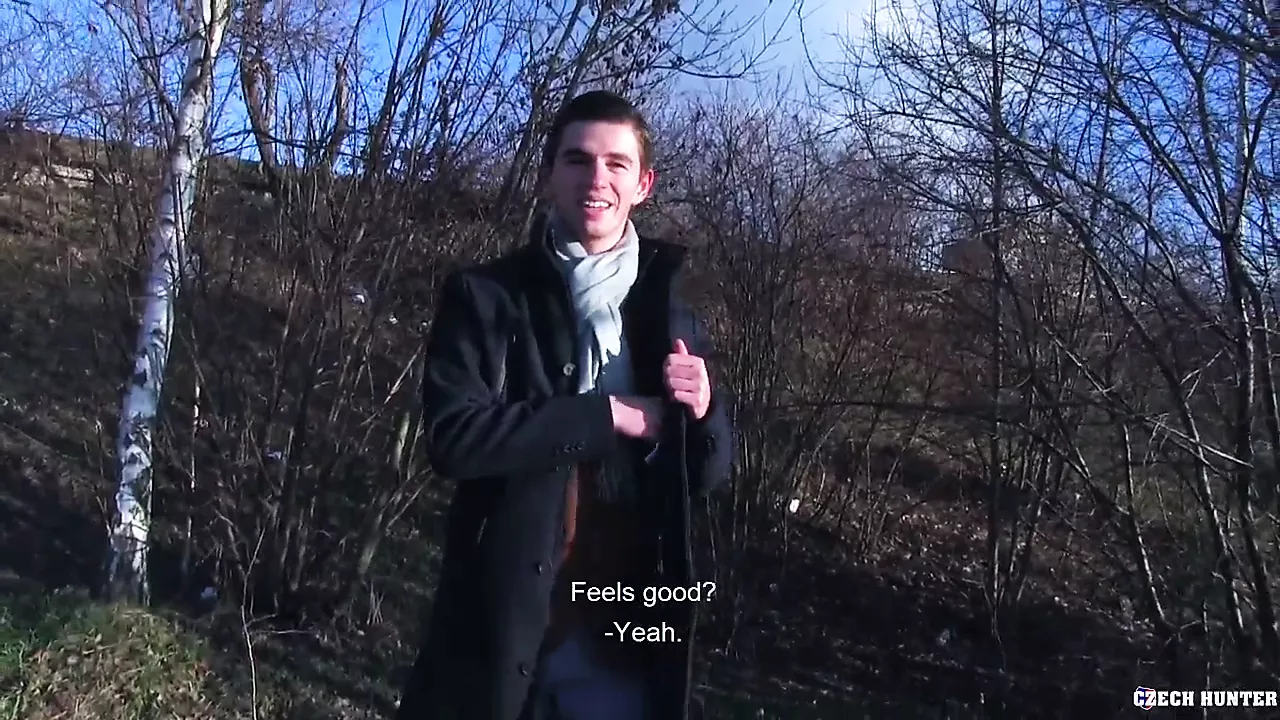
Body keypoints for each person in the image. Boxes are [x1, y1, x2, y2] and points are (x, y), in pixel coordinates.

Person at [394, 90, 734, 720]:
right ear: (550, 174)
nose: (596, 179)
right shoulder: (486, 297)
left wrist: (704, 412)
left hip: (627, 627)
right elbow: (454, 438)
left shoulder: (670, 315)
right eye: (577, 160)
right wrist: (609, 415)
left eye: (616, 163)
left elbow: (706, 476)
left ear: (644, 184)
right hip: (505, 620)